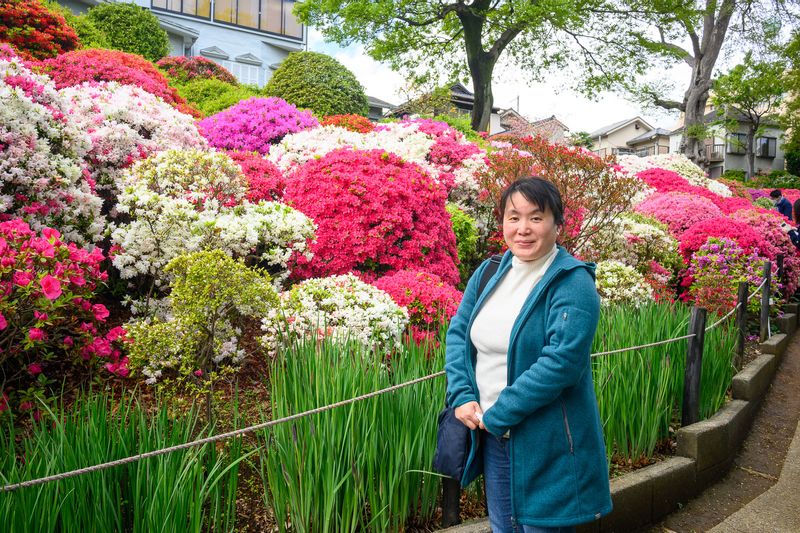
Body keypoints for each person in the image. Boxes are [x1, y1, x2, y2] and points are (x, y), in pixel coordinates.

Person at [444, 177, 612, 532]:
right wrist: (462, 395)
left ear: (558, 224)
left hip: (547, 446)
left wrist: (499, 413)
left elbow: (561, 363)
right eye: (513, 217)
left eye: (536, 218)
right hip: (493, 439)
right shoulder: (490, 271)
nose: (523, 229)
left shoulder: (572, 282)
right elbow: (459, 333)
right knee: (504, 528)